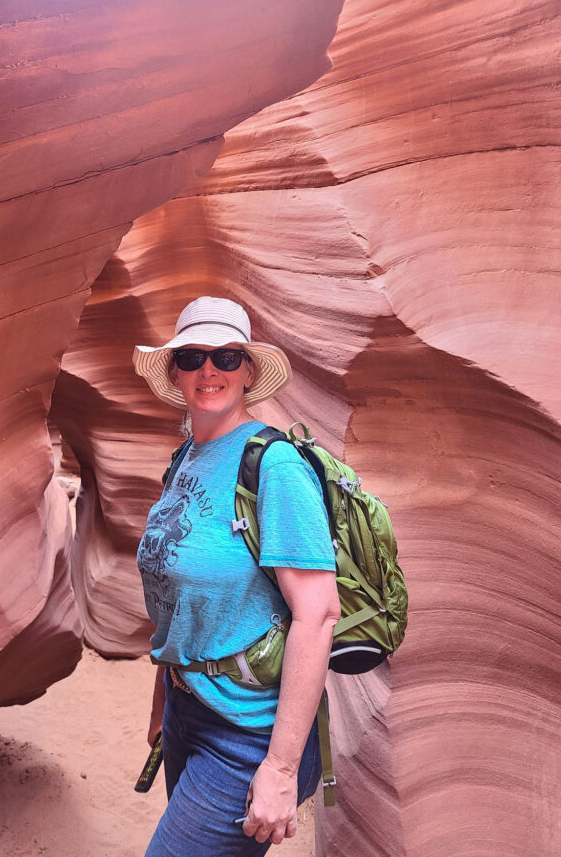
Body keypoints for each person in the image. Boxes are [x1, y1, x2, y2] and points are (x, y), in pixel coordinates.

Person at [133, 296, 339, 856]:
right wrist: (164, 706)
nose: (209, 370)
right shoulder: (185, 460)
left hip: (245, 734)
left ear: (248, 372)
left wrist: (280, 767)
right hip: (187, 712)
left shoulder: (274, 466)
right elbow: (176, 597)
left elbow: (317, 613)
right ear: (175, 371)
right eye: (194, 355)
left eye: (226, 357)